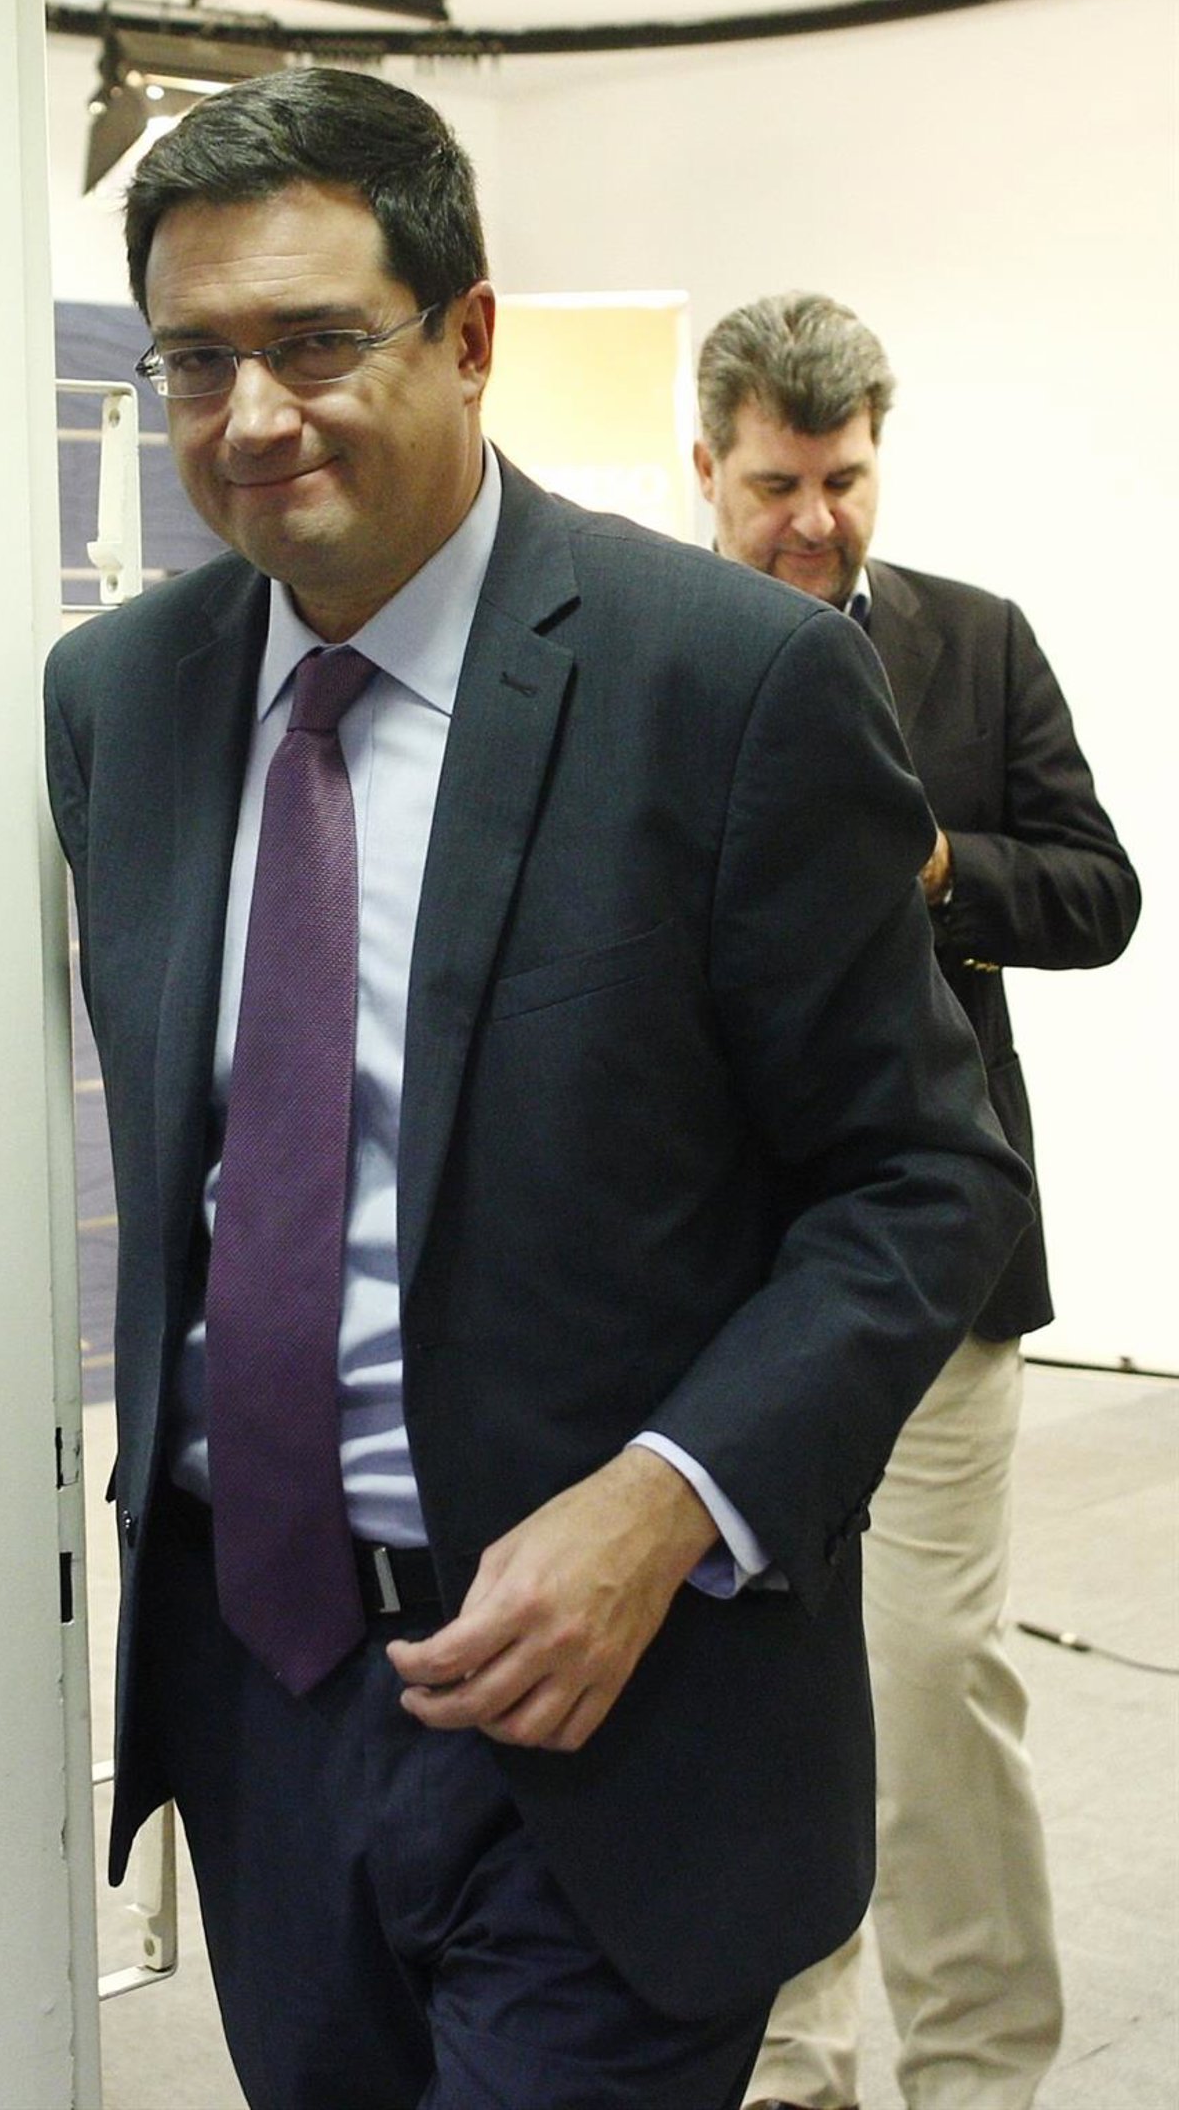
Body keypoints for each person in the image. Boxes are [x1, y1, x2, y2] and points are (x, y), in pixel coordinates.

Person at [45, 70, 1033, 2110]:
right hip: (264, 1701)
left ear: (470, 334)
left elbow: (920, 1182)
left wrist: (667, 1503)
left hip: (613, 1720)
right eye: (197, 359)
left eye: (318, 342)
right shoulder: (121, 701)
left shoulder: (728, 684)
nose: (253, 417)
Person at [693, 291, 1140, 2110]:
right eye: (777, 485)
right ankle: (789, 2067)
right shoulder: (646, 652)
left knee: (937, 1677)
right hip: (725, 1282)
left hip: (945, 1264)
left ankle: (976, 2075)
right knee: (754, 1693)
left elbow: (1099, 894)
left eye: (846, 478)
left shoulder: (978, 643)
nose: (815, 519)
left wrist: (943, 867)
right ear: (707, 468)